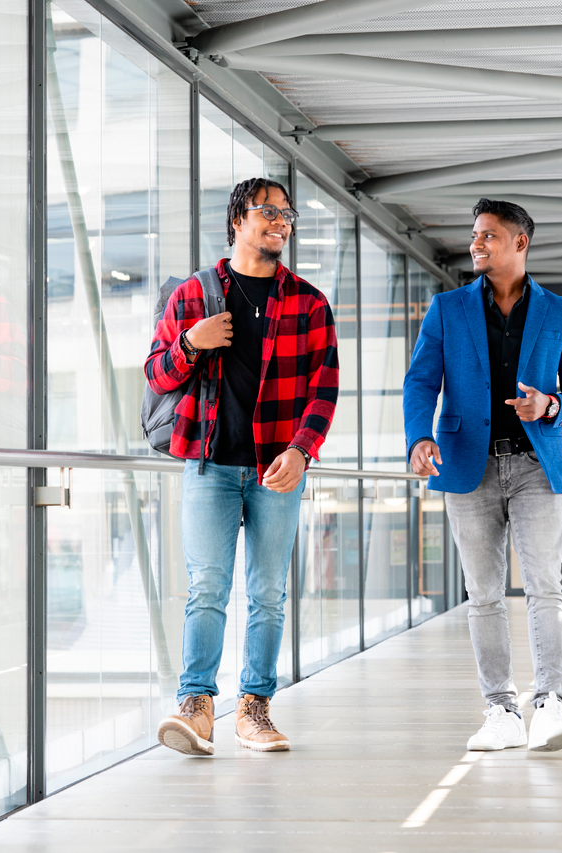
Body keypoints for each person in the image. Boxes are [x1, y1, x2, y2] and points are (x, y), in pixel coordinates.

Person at [145, 178, 339, 756]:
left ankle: (254, 709)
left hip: (277, 469)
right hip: (209, 465)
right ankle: (196, 707)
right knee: (206, 589)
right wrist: (192, 342)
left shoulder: (308, 302)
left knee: (268, 593)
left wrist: (302, 450)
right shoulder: (192, 296)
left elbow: (324, 389)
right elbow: (156, 375)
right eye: (268, 211)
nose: (281, 221)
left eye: (287, 214)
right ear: (237, 220)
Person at [403, 198, 562, 752]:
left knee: (545, 587)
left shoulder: (561, 312)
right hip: (467, 465)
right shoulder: (447, 308)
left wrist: (553, 405)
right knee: (484, 594)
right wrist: (418, 437)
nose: (476, 243)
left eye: (488, 235)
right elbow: (421, 381)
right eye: (474, 235)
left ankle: (549, 705)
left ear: (520, 242)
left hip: (537, 465)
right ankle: (501, 711)